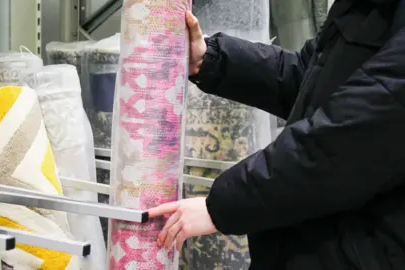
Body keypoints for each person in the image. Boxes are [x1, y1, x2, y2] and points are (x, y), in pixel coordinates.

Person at [148, 0, 405, 269]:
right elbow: (306, 76)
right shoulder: (366, 7)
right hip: (305, 244)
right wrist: (209, 58)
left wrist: (222, 206)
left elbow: (343, 142)